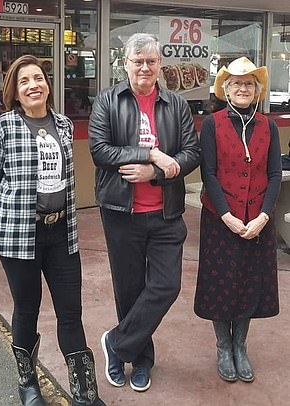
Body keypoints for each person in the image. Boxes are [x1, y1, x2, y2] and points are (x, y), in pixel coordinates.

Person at [0, 54, 106, 406]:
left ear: (48, 85)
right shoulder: (2, 127)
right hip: (19, 236)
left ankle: (85, 392)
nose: (33, 85)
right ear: (15, 92)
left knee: (70, 312)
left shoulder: (63, 124)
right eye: (24, 82)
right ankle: (27, 383)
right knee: (26, 308)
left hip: (61, 235)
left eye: (38, 78)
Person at [88, 33, 201, 392]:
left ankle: (116, 343)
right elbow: (100, 151)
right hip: (122, 212)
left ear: (160, 65)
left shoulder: (177, 104)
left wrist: (156, 173)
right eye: (138, 61)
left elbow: (192, 153)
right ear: (125, 64)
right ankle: (141, 360)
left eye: (151, 61)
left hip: (166, 212)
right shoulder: (107, 101)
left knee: (166, 285)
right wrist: (149, 155)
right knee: (130, 289)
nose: (145, 68)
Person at [194, 56, 281, 383]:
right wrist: (227, 216)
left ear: (256, 90)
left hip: (259, 221)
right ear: (226, 90)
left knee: (248, 282)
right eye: (236, 84)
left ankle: (239, 346)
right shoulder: (212, 125)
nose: (242, 88)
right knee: (221, 285)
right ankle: (222, 346)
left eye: (248, 84)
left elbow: (274, 174)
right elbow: (210, 175)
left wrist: (263, 216)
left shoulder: (268, 126)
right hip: (220, 219)